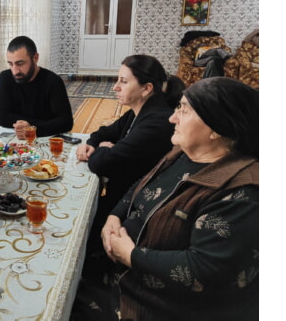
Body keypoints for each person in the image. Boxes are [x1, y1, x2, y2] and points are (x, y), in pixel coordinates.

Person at [72, 77, 259, 321]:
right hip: (119, 274)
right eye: (178, 107)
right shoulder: (183, 153)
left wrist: (131, 256)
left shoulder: (241, 193)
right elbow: (142, 185)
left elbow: (204, 271)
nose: (172, 118)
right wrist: (114, 216)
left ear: (216, 128)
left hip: (152, 304)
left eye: (184, 110)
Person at [76, 55, 185, 259]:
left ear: (146, 88)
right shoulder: (140, 109)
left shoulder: (156, 122)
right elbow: (104, 132)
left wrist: (103, 149)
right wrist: (94, 143)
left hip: (131, 209)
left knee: (76, 222)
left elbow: (102, 163)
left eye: (123, 81)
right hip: (122, 193)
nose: (115, 87)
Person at [0, 36, 73, 138]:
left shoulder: (53, 81)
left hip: (45, 139)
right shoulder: (4, 78)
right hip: (14, 138)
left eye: (20, 63)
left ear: (35, 58)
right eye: (10, 64)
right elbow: (4, 118)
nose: (15, 71)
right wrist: (43, 125)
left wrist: (32, 129)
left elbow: (66, 122)